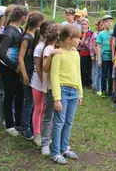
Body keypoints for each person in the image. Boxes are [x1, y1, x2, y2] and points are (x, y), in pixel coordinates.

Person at [50, 24, 83, 165]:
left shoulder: (76, 53)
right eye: (78, 38)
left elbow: (78, 74)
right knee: (59, 122)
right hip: (62, 92)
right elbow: (54, 77)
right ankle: (55, 152)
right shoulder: (58, 55)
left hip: (74, 92)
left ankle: (64, 148)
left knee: (68, 122)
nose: (79, 41)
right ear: (69, 39)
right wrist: (57, 98)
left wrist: (80, 93)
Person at [0, 5, 29, 137]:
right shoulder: (9, 31)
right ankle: (9, 124)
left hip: (17, 69)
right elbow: (2, 53)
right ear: (22, 17)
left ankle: (18, 122)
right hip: (8, 69)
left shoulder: (19, 29)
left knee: (20, 95)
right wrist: (14, 67)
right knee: (9, 95)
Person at [18, 12, 45, 141]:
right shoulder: (27, 38)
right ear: (39, 24)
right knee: (29, 103)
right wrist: (24, 76)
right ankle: (25, 128)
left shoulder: (36, 37)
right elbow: (21, 58)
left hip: (33, 74)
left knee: (35, 104)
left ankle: (32, 126)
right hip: (27, 75)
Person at [30, 20, 55, 146]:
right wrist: (43, 83)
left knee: (47, 109)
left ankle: (46, 133)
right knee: (39, 108)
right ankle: (37, 134)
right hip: (38, 83)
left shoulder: (49, 46)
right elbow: (39, 69)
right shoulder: (40, 47)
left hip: (47, 83)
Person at [41, 23, 63, 156]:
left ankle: (55, 141)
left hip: (61, 88)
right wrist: (51, 55)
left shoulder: (63, 49)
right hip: (50, 87)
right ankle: (45, 143)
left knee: (58, 118)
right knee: (48, 116)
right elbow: (45, 67)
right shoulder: (49, 49)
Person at [96, 15, 113, 97]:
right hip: (104, 57)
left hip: (112, 57)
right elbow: (98, 46)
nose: (109, 23)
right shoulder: (101, 34)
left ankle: (110, 91)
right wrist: (99, 59)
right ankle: (103, 91)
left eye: (110, 21)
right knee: (104, 75)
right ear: (103, 23)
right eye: (107, 21)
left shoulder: (113, 33)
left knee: (111, 75)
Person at [90, 18, 103, 95]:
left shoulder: (105, 33)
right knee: (96, 71)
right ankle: (96, 86)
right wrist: (93, 54)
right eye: (100, 25)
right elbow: (93, 46)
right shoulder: (96, 34)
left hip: (103, 54)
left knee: (100, 72)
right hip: (97, 54)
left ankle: (99, 86)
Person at [79, 18, 93, 88]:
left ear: (88, 25)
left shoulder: (91, 33)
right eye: (82, 24)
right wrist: (84, 34)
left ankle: (89, 82)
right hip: (83, 53)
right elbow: (81, 43)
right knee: (83, 69)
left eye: (85, 24)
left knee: (90, 68)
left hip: (90, 54)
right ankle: (83, 82)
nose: (84, 26)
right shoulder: (80, 33)